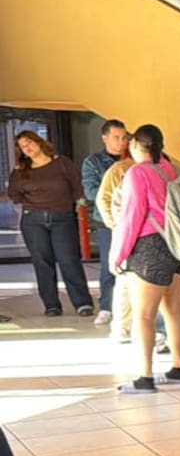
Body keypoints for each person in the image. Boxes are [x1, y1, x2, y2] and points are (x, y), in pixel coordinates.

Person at [109, 125, 180, 394]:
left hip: (149, 246)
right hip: (176, 245)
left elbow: (132, 217)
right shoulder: (169, 168)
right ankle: (179, 367)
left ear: (135, 145)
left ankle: (145, 376)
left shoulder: (137, 172)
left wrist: (118, 254)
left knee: (143, 315)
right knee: (174, 309)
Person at [6, 132, 95, 316]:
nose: (27, 148)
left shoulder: (62, 163)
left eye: (29, 142)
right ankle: (51, 305)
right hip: (33, 219)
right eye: (23, 146)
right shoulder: (21, 170)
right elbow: (14, 194)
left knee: (68, 259)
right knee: (42, 262)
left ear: (39, 142)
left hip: (62, 217)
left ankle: (82, 303)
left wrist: (78, 204)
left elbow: (77, 185)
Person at [81, 119, 129, 326]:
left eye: (124, 137)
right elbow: (91, 192)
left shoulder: (135, 158)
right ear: (105, 138)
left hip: (136, 218)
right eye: (116, 137)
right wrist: (121, 193)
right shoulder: (94, 162)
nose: (121, 142)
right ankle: (107, 307)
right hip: (107, 220)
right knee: (109, 265)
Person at [96, 154, 137, 341]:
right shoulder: (121, 169)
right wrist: (115, 226)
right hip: (126, 233)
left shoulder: (167, 166)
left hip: (156, 236)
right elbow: (104, 200)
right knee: (123, 281)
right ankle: (121, 327)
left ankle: (157, 332)